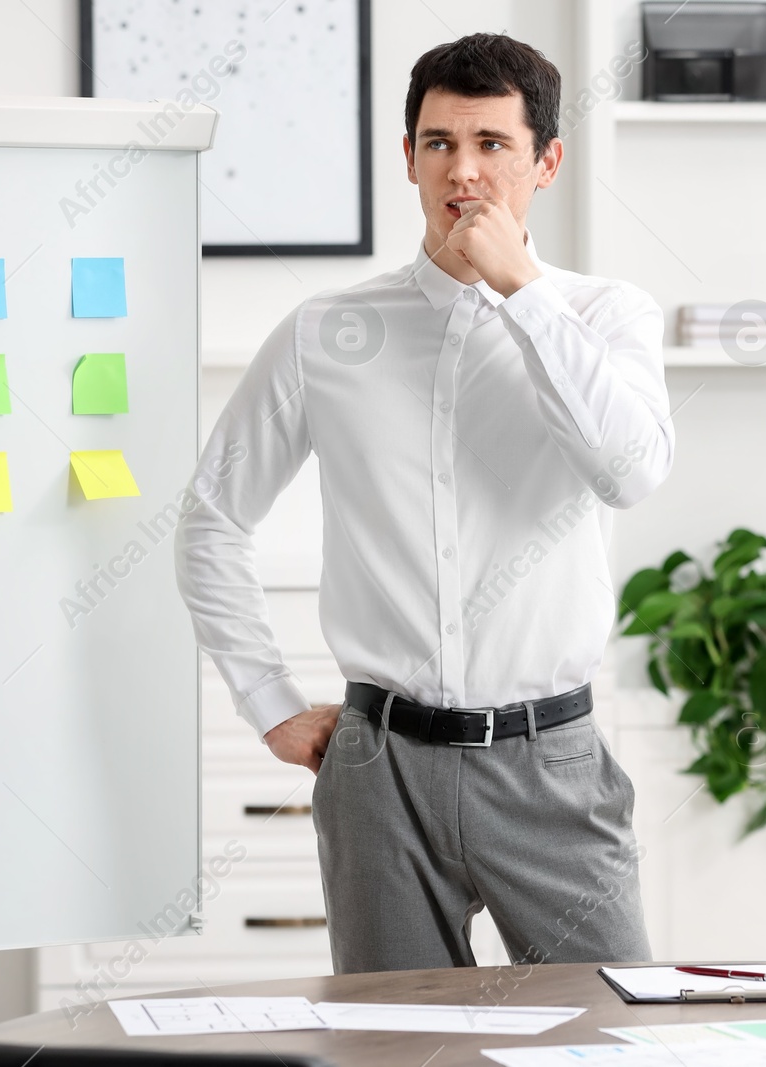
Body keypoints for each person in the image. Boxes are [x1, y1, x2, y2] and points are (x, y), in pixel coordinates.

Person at [173, 31, 674, 974]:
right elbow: (211, 520)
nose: (465, 173)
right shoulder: (330, 331)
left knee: (611, 1031)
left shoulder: (607, 317)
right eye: (440, 143)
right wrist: (270, 702)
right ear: (408, 158)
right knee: (390, 1043)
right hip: (379, 769)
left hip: (550, 762)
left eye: (494, 145)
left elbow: (630, 471)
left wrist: (521, 290)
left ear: (546, 162)